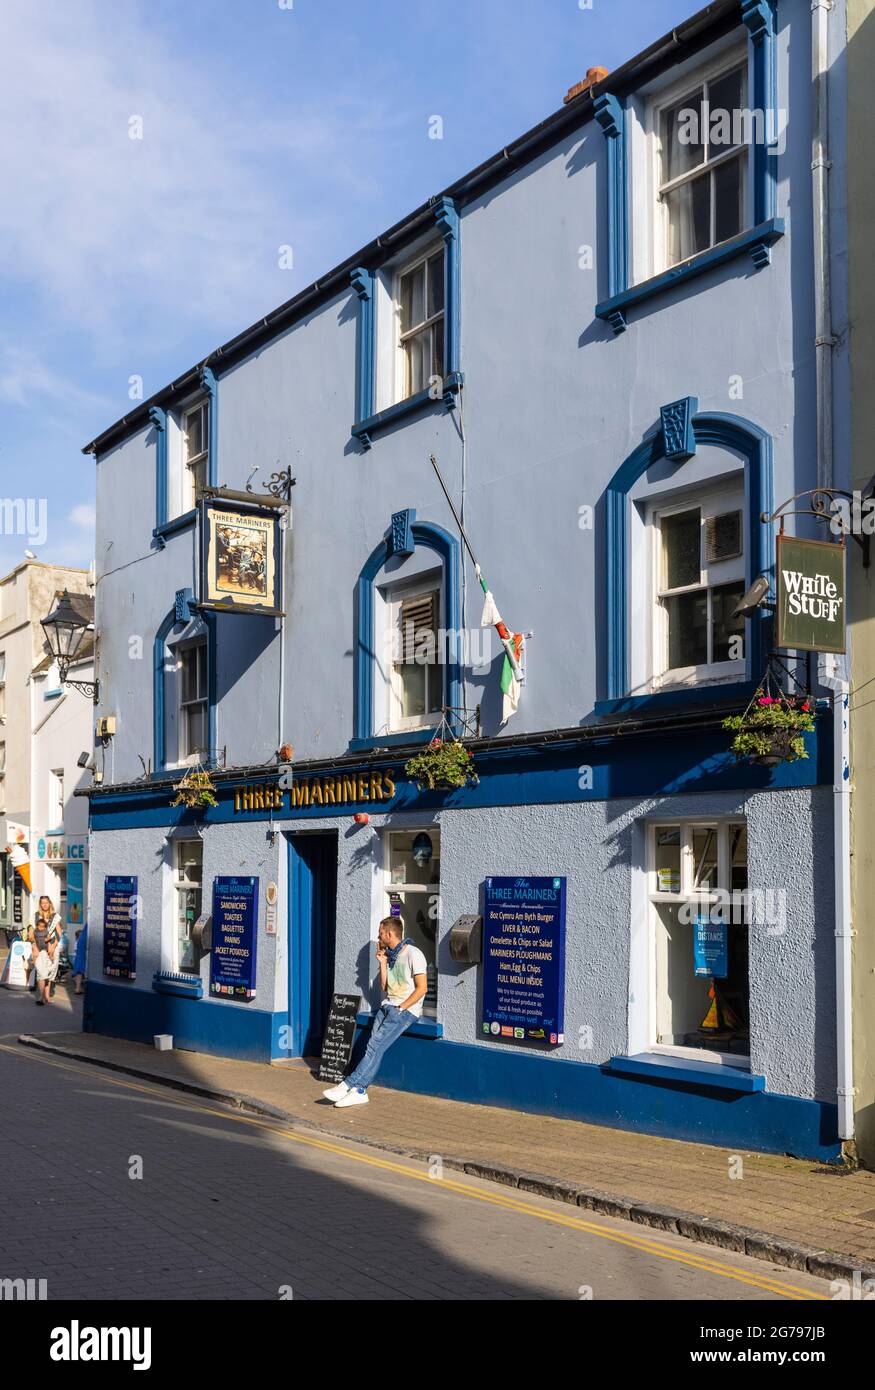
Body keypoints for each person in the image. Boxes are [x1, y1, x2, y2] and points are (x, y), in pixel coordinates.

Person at [323, 916, 428, 1108]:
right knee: (375, 1049)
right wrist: (382, 962)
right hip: (387, 1006)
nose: (378, 936)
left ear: (389, 934)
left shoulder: (414, 953)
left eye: (380, 933)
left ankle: (348, 1084)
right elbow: (386, 987)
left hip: (404, 1011)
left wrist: (401, 1008)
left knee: (373, 1047)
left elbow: (422, 989)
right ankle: (360, 1091)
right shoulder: (392, 955)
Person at [25, 896, 62, 998]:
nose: (44, 904)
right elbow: (31, 933)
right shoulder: (35, 916)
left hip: (52, 946)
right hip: (39, 948)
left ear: (50, 903)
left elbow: (59, 933)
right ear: (40, 904)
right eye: (42, 903)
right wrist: (34, 946)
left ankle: (47, 996)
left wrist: (53, 947)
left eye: (46, 902)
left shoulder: (55, 916)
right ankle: (42, 996)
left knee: (50, 971)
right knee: (41, 971)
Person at [28, 914, 61, 1005]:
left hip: (47, 950)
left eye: (43, 927)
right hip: (38, 951)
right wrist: (33, 946)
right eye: (39, 926)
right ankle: (41, 997)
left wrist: (51, 949)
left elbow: (53, 938)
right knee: (41, 973)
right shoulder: (35, 930)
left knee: (47, 974)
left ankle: (45, 997)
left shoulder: (47, 931)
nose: (41, 928)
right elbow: (31, 938)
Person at [72, 923, 88, 995]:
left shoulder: (81, 936)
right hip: (86, 940)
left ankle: (77, 988)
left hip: (83, 942)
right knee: (81, 965)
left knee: (80, 964)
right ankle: (78, 987)